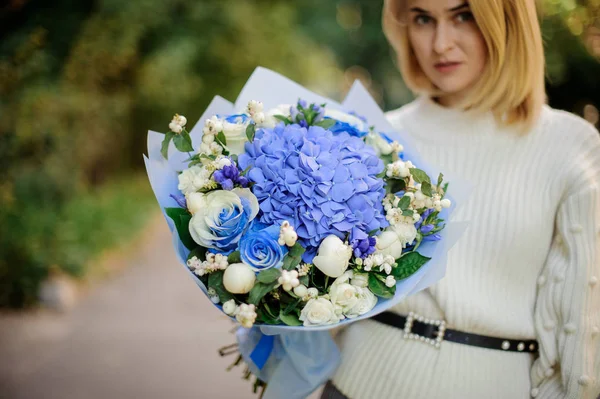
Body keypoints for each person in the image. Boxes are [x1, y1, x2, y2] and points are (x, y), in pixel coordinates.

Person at [321, 0, 600, 398]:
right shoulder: (374, 136)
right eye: (422, 19)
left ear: (506, 22)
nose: (440, 44)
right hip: (355, 383)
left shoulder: (571, 147)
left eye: (463, 16)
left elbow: (583, 335)